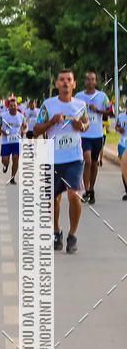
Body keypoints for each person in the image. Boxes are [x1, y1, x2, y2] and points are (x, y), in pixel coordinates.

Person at [34, 70, 88, 253]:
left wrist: (81, 125)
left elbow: (86, 123)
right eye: (62, 80)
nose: (65, 83)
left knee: (74, 196)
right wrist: (51, 122)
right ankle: (56, 230)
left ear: (74, 84)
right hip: (53, 159)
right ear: (57, 84)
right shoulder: (48, 105)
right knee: (52, 199)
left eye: (69, 80)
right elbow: (35, 129)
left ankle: (72, 235)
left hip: (74, 158)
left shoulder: (81, 105)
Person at [75, 72, 110, 204]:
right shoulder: (79, 96)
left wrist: (98, 110)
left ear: (95, 82)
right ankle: (85, 189)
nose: (90, 82)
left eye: (93, 79)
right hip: (84, 134)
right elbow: (73, 112)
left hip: (98, 134)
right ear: (85, 82)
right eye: (88, 79)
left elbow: (109, 111)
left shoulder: (102, 96)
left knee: (94, 163)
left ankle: (91, 189)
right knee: (87, 160)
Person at [0, 95, 26, 183]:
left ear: (17, 106)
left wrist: (24, 131)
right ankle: (5, 165)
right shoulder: (3, 116)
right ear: (8, 107)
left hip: (16, 141)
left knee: (15, 158)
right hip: (6, 141)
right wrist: (3, 132)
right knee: (5, 160)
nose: (13, 107)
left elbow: (25, 126)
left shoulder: (21, 116)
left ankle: (13, 177)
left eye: (15, 106)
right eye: (11, 106)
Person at [116, 107, 127, 199]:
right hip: (123, 144)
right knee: (124, 168)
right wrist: (119, 129)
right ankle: (126, 190)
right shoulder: (121, 116)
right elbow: (117, 126)